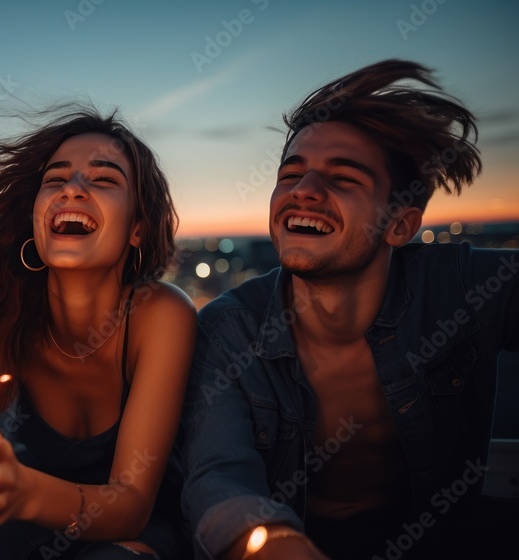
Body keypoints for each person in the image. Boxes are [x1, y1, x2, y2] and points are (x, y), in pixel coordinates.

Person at [180, 59, 519, 560]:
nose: (304, 192)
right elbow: (219, 475)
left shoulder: (459, 286)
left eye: (342, 179)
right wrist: (273, 546)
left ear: (400, 226)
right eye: (291, 173)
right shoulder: (229, 329)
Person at [0, 109, 197, 559]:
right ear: (36, 217)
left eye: (104, 180)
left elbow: (130, 505)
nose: (72, 188)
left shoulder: (160, 314)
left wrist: (21, 491)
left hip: (129, 537)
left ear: (138, 228)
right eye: (55, 180)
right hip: (18, 532)